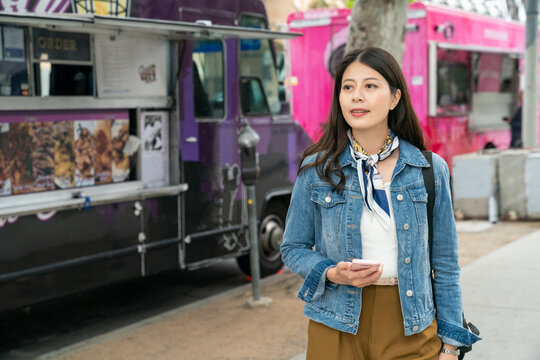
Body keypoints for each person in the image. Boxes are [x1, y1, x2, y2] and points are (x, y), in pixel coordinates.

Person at [280, 47, 481, 360]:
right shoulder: (316, 170)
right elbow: (292, 247)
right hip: (335, 324)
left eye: (370, 86)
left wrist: (451, 346)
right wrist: (331, 273)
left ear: (394, 98)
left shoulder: (429, 169)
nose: (357, 96)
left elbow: (445, 265)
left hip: (410, 327)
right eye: (348, 87)